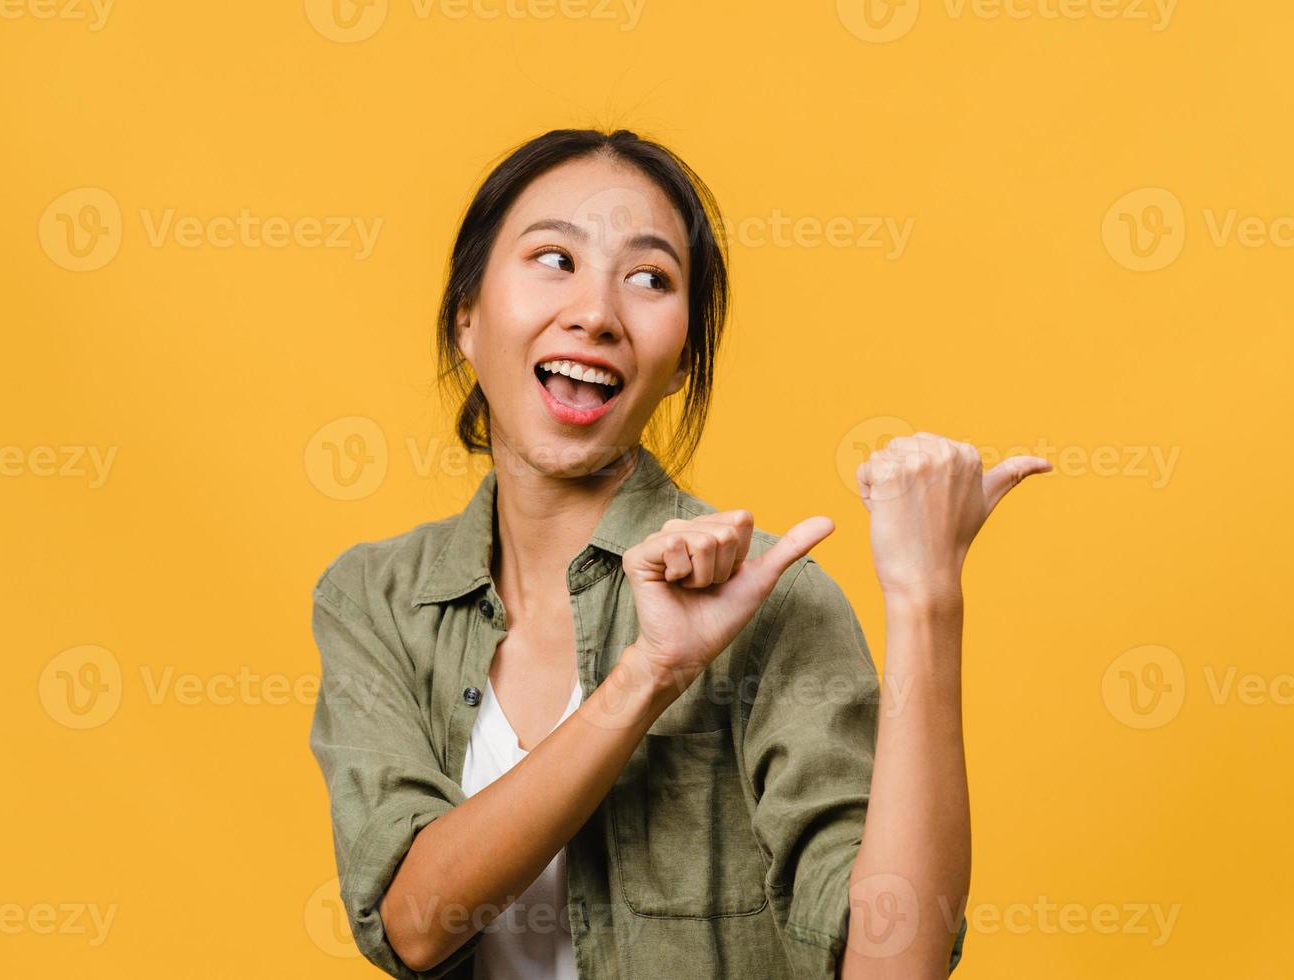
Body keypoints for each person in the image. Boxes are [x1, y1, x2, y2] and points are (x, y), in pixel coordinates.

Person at [308, 127, 1050, 980]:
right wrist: (651, 670)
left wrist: (927, 598)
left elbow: (895, 967)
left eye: (649, 278)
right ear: (467, 316)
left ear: (679, 361)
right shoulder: (375, 598)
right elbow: (415, 926)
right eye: (555, 259)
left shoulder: (772, 600)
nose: (595, 313)